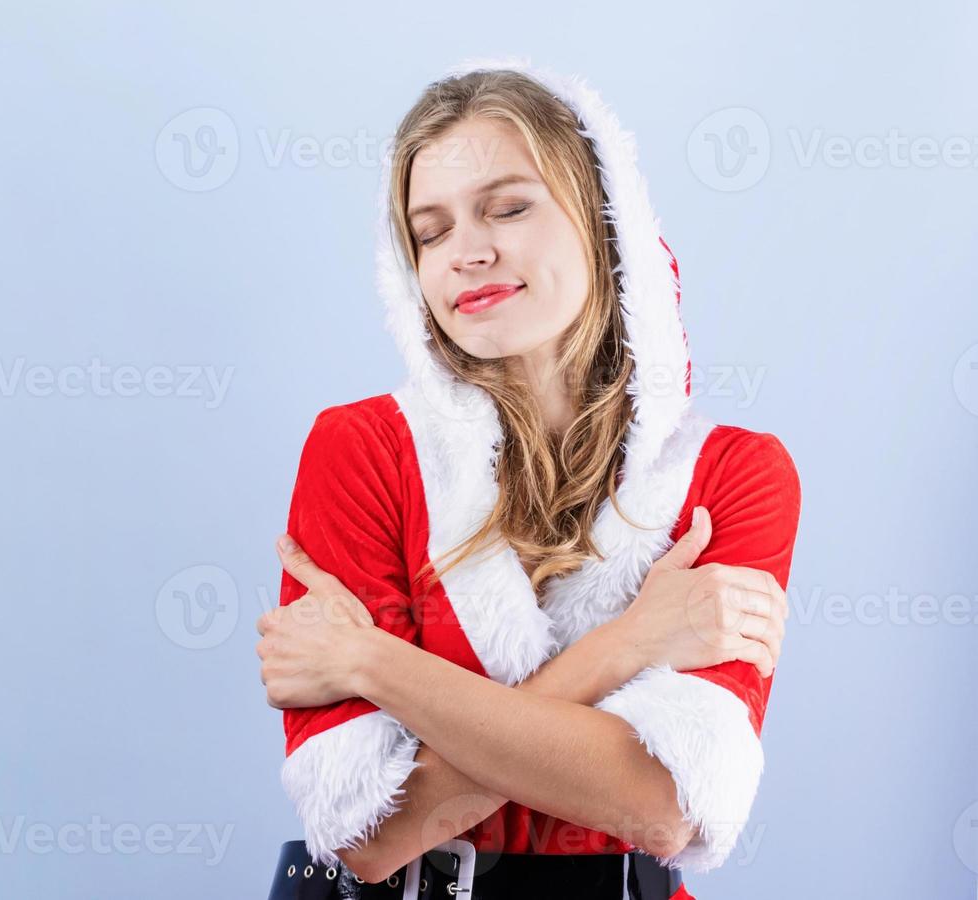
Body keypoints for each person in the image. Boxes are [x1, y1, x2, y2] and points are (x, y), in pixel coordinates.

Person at [255, 58, 802, 900]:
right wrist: (629, 646)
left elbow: (662, 812)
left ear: (601, 220)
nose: (466, 254)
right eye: (428, 233)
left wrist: (367, 661)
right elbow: (373, 838)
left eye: (507, 208)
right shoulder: (361, 450)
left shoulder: (731, 477)